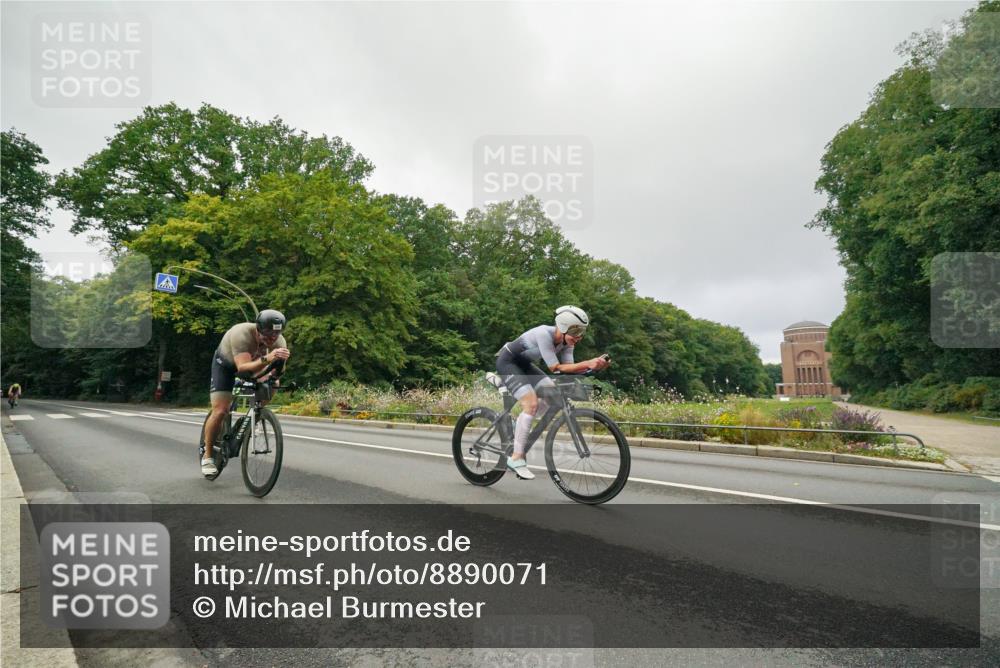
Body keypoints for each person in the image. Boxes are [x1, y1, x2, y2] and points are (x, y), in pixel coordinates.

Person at [494, 306, 610, 480]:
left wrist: (594, 368)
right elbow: (555, 368)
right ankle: (516, 458)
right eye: (576, 331)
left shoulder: (567, 343)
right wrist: (588, 363)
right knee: (531, 404)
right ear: (563, 327)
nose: (579, 337)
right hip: (508, 362)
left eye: (582, 332)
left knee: (553, 396)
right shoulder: (544, 334)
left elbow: (567, 370)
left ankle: (518, 425)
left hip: (525, 365)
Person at [201, 309, 290, 477]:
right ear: (258, 329)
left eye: (275, 335)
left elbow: (277, 372)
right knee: (220, 411)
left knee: (273, 384)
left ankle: (254, 416)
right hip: (226, 366)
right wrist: (268, 358)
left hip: (254, 365)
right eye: (267, 335)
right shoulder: (241, 333)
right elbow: (242, 368)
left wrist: (277, 369)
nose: (272, 339)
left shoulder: (280, 341)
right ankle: (207, 455)